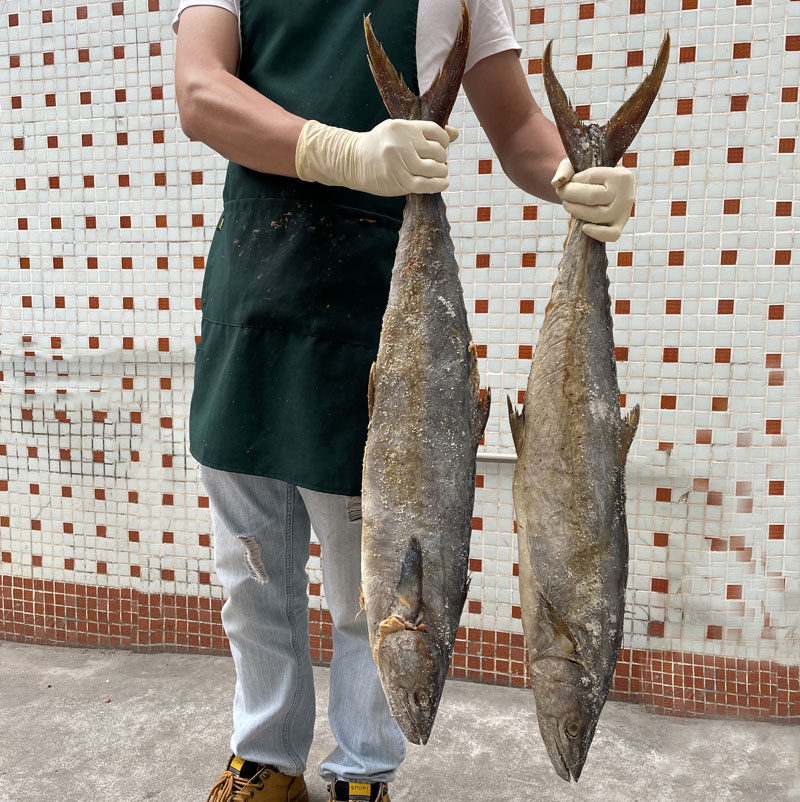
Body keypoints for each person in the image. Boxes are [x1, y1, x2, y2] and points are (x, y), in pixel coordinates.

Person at [173, 2, 634, 800]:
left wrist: (574, 175)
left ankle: (364, 770)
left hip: (374, 317)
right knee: (249, 578)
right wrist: (338, 150)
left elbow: (520, 127)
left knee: (372, 587)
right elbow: (200, 92)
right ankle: (265, 757)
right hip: (253, 302)